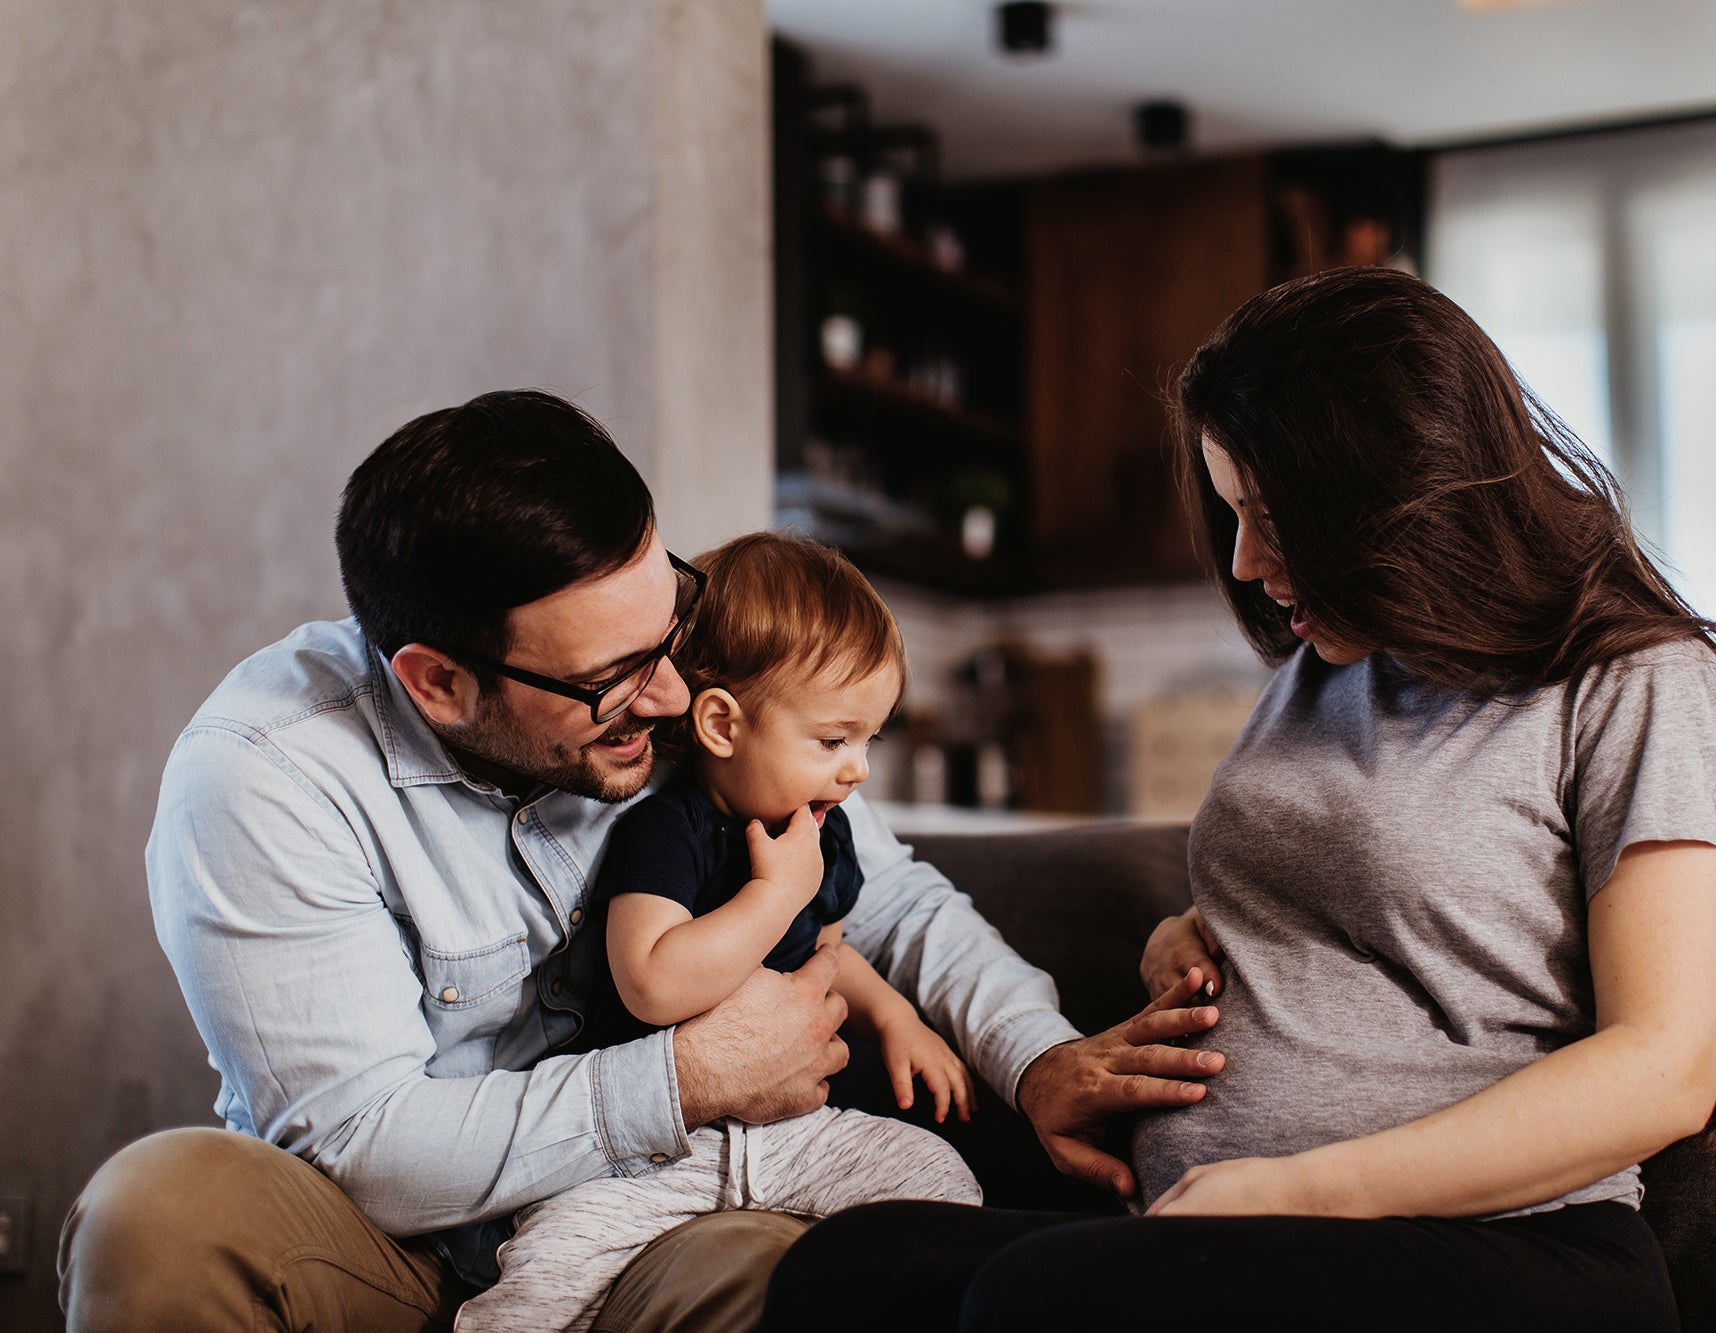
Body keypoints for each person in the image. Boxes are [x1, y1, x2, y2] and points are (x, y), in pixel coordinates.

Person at [762, 266, 1716, 1332]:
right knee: (851, 1267)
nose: (1246, 560)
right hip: (1225, 1227)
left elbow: (1663, 1068)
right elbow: (1356, 911)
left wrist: (1294, 1189)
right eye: (1233, 514)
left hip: (1506, 1244)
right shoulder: (1324, 672)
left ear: (1401, 493)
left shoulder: (1635, 680)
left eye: (1274, 518)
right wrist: (1187, 937)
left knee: (1038, 1298)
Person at [57, 389, 1222, 1333]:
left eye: (669, 624)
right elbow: (360, 1144)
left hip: (647, 1220)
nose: (669, 695)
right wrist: (685, 1077)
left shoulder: (673, 691)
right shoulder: (267, 776)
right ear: (437, 680)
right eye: (614, 679)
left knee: (804, 1269)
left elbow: (895, 898)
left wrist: (1035, 1059)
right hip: (391, 1244)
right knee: (158, 1209)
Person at [455, 531, 981, 1333]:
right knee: (543, 1282)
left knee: (943, 1186)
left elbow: (826, 958)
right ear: (723, 724)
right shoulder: (668, 830)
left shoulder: (821, 833)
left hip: (794, 1132)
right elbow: (654, 980)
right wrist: (775, 892)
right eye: (834, 740)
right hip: (648, 1153)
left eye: (871, 739)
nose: (859, 770)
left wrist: (897, 1017)